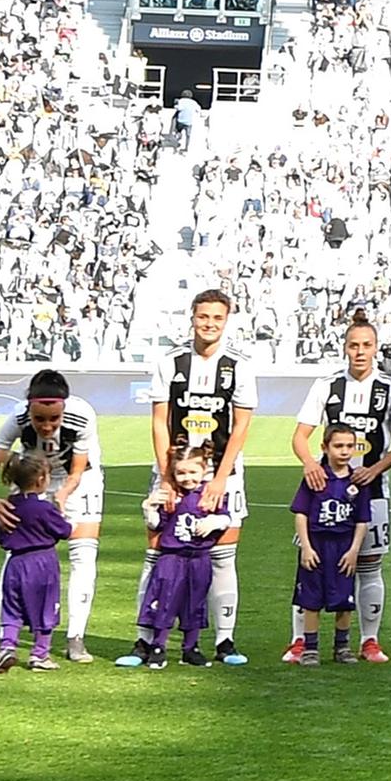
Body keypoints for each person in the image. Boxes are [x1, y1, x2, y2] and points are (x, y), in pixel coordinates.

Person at [149, 286, 252, 667]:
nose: (209, 324)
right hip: (174, 472)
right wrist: (165, 477)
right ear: (192, 318)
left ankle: (224, 640)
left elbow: (240, 428)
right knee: (157, 554)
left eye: (217, 318)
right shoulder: (171, 362)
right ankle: (147, 639)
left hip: (225, 473)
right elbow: (160, 422)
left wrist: (221, 478)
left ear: (226, 322)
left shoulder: (239, 366)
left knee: (223, 557)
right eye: (203, 316)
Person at [294, 314, 391, 663]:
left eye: (366, 345)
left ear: (375, 349)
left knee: (369, 565)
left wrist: (374, 470)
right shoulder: (326, 385)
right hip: (324, 491)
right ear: (345, 347)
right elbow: (300, 436)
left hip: (372, 490)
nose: (360, 352)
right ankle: (300, 642)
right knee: (309, 563)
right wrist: (312, 465)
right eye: (353, 345)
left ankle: (368, 640)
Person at [0, 368, 103, 664]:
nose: (47, 426)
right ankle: (6, 641)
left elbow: (76, 472)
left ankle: (75, 636)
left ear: (64, 407)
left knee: (82, 554)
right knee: (16, 553)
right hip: (31, 478)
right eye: (39, 419)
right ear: (28, 409)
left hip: (78, 480)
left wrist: (60, 497)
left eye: (54, 419)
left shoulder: (82, 415)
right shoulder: (16, 419)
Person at [127, 444, 231, 669]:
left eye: (192, 472)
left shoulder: (211, 494)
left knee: (195, 603)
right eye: (181, 472)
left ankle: (190, 648)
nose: (187, 478)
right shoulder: (170, 496)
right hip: (171, 559)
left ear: (204, 470)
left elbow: (226, 517)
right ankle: (158, 646)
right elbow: (157, 525)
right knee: (164, 601)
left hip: (199, 558)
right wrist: (149, 508)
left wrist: (215, 521)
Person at [288, 427, 371, 670]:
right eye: (338, 446)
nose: (344, 451)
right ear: (325, 448)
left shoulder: (358, 481)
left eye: (349, 446)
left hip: (343, 547)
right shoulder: (315, 476)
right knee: (311, 599)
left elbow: (362, 520)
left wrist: (354, 550)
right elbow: (301, 514)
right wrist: (306, 546)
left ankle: (342, 647)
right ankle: (310, 648)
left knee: (344, 599)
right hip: (317, 545)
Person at [0, 450, 72, 674]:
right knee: (46, 606)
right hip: (42, 562)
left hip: (15, 563)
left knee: (12, 606)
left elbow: (1, 538)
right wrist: (61, 511)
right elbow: (65, 531)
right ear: (41, 479)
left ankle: (7, 646)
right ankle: (40, 654)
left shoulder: (6, 507)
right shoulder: (44, 508)